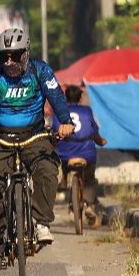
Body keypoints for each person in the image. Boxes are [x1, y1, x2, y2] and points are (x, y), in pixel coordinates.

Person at [0, 28, 74, 275]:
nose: (8, 62)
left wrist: (65, 121)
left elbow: (56, 95)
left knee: (47, 170)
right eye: (3, 56)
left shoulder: (40, 70)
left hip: (35, 136)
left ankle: (41, 222)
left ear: (26, 54)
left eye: (14, 56)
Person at [52, 85, 107, 223]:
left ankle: (63, 178)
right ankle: (89, 205)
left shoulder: (59, 112)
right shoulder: (87, 111)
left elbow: (54, 134)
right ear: (81, 98)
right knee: (89, 178)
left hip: (65, 152)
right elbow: (94, 133)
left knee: (61, 158)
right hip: (86, 152)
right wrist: (101, 142)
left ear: (65, 97)